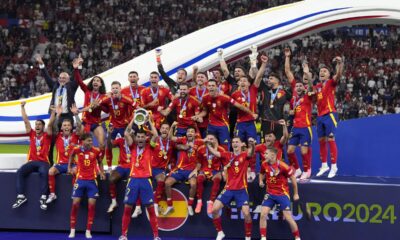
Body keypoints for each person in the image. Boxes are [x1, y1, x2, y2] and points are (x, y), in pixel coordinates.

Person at [119, 115, 160, 240]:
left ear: (146, 138)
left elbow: (156, 135)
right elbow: (126, 133)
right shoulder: (132, 146)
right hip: (133, 180)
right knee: (127, 208)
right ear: (135, 138)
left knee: (151, 210)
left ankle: (156, 236)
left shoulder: (150, 146)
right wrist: (134, 119)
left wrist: (149, 121)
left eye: (143, 137)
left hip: (146, 180)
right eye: (138, 137)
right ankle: (124, 235)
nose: (141, 139)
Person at [209, 137, 256, 240]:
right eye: (233, 142)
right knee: (214, 210)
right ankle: (220, 232)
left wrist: (252, 144)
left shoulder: (245, 155)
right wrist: (208, 144)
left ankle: (248, 237)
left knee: (246, 213)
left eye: (237, 142)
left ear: (241, 144)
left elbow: (251, 152)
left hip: (242, 189)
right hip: (228, 189)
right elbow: (215, 153)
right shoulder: (227, 155)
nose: (235, 144)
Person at [36, 55, 79, 165]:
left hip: (67, 116)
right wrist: (41, 64)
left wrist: (77, 68)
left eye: (64, 78)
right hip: (55, 116)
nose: (62, 79)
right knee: (51, 139)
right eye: (60, 78)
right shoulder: (55, 85)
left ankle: (69, 162)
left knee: (68, 140)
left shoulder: (71, 87)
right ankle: (49, 162)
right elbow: (46, 76)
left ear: (68, 79)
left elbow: (78, 79)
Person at [12, 101, 54, 210]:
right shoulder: (32, 134)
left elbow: (50, 124)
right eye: (36, 125)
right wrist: (22, 107)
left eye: (39, 124)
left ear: (43, 127)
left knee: (44, 172)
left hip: (43, 162)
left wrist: (53, 113)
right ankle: (21, 196)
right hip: (32, 161)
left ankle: (43, 197)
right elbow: (26, 121)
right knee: (20, 171)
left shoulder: (47, 136)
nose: (37, 126)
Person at [193, 79, 256, 150]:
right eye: (209, 86)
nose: (211, 87)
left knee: (225, 147)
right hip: (211, 126)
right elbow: (205, 111)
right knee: (209, 146)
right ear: (207, 87)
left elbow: (239, 106)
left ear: (217, 87)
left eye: (213, 85)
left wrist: (251, 113)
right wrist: (199, 116)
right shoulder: (205, 98)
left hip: (223, 126)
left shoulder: (224, 97)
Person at [68, 133, 105, 239]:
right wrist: (69, 168)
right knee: (75, 204)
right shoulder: (77, 149)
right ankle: (72, 230)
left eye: (91, 140)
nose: (90, 142)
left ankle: (88, 230)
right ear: (83, 141)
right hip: (79, 180)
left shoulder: (96, 150)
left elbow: (100, 162)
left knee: (91, 205)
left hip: (92, 181)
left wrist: (101, 172)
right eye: (88, 140)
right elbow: (71, 156)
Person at [259, 146, 301, 240]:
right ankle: (263, 237)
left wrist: (295, 193)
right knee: (263, 214)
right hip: (269, 194)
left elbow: (293, 179)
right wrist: (260, 181)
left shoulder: (283, 166)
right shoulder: (264, 164)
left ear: (273, 155)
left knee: (288, 217)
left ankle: (297, 237)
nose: (264, 155)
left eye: (266, 153)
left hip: (282, 194)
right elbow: (261, 173)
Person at [46, 104, 83, 204]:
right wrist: (57, 115)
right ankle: (52, 194)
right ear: (61, 127)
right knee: (50, 171)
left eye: (68, 125)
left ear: (71, 127)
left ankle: (75, 193)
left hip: (73, 164)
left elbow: (80, 127)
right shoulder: (57, 136)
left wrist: (76, 115)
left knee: (75, 172)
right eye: (64, 125)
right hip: (61, 164)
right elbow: (52, 126)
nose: (66, 127)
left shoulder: (76, 136)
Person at [163, 124, 203, 216]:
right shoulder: (182, 140)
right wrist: (172, 127)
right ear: (186, 133)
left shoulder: (199, 142)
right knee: (167, 183)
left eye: (192, 132)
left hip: (191, 170)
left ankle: (189, 205)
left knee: (193, 184)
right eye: (188, 131)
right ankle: (170, 206)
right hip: (180, 169)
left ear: (195, 134)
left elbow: (201, 159)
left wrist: (196, 170)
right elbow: (171, 138)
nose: (190, 133)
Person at [315, 57, 344, 178]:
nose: (322, 72)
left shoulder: (331, 83)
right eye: (321, 71)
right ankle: (324, 165)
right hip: (319, 116)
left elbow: (339, 74)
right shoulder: (316, 87)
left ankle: (334, 166)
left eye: (325, 71)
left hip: (330, 114)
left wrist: (340, 63)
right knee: (321, 141)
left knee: (330, 139)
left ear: (328, 75)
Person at [73, 57, 106, 159]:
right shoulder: (87, 91)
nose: (95, 82)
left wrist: (80, 110)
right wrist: (76, 69)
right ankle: (78, 162)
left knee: (102, 145)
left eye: (98, 81)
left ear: (100, 84)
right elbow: (79, 80)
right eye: (94, 80)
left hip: (96, 123)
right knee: (79, 142)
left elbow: (91, 107)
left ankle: (99, 164)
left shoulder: (103, 96)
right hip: (85, 122)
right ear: (92, 83)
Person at [98, 81, 136, 170]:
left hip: (124, 126)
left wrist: (131, 119)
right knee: (109, 146)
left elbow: (137, 106)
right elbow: (99, 103)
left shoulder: (126, 98)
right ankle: (110, 167)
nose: (115, 90)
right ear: (111, 90)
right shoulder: (108, 99)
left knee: (127, 145)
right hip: (113, 126)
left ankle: (129, 163)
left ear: (120, 89)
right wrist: (104, 105)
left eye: (117, 88)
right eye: (113, 88)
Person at [254, 54, 291, 140]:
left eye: (271, 78)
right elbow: (258, 76)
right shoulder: (265, 89)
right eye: (268, 78)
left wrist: (290, 115)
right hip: (266, 122)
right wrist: (261, 64)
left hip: (279, 123)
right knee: (265, 148)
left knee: (279, 148)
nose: (268, 80)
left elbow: (294, 101)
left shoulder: (285, 92)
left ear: (278, 80)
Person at [286, 79, 315, 180]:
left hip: (305, 127)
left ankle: (306, 171)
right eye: (296, 86)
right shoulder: (293, 100)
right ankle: (297, 169)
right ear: (294, 88)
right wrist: (290, 113)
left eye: (300, 86)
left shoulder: (308, 96)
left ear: (304, 88)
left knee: (304, 152)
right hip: (295, 127)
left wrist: (308, 76)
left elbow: (311, 88)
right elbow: (292, 112)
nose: (298, 87)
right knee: (289, 151)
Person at [194, 133, 225, 214]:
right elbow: (199, 163)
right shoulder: (201, 149)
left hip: (216, 171)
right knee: (199, 178)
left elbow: (225, 163)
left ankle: (211, 202)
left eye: (211, 139)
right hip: (204, 170)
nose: (209, 140)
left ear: (215, 140)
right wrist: (196, 170)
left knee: (218, 178)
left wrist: (224, 173)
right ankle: (199, 201)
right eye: (208, 138)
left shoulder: (221, 149)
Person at [106, 124, 133, 213]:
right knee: (111, 179)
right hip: (121, 166)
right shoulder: (120, 140)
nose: (128, 133)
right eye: (127, 131)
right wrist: (109, 134)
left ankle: (137, 205)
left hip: (133, 167)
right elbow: (110, 147)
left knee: (133, 182)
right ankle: (114, 202)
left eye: (130, 131)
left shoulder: (136, 141)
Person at [150, 123, 175, 215]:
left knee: (161, 180)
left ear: (169, 131)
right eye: (163, 128)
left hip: (160, 169)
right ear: (160, 130)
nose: (164, 130)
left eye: (167, 128)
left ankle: (155, 204)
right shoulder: (155, 140)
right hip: (149, 168)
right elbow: (150, 144)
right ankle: (137, 206)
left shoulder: (171, 142)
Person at [188, 72, 209, 138]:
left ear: (206, 80)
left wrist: (199, 116)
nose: (200, 78)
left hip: (207, 122)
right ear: (196, 79)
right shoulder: (190, 91)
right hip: (193, 122)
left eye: (202, 77)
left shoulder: (209, 90)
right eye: (198, 77)